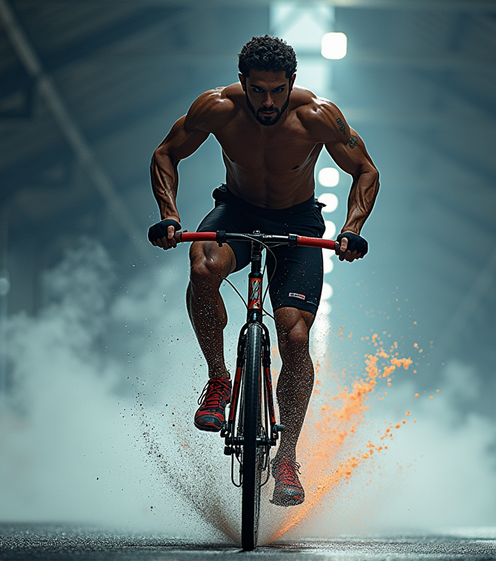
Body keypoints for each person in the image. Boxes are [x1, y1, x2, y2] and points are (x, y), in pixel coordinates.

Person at [147, 35, 379, 507]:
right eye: (257, 90)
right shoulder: (217, 108)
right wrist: (170, 215)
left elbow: (366, 170)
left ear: (291, 82)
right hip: (238, 211)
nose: (267, 102)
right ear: (243, 82)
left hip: (298, 220)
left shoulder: (318, 116)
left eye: (277, 90)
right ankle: (219, 379)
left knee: (295, 337)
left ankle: (287, 457)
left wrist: (352, 228)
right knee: (203, 267)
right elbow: (165, 153)